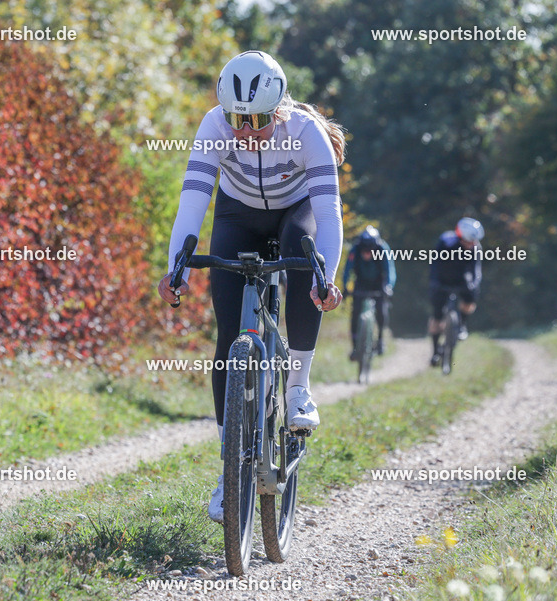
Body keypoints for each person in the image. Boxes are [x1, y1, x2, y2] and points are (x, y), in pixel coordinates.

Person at [156, 50, 345, 523]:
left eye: (257, 119)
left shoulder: (306, 132)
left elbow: (328, 216)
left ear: (279, 108)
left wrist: (329, 277)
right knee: (226, 336)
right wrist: (176, 265)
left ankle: (298, 387)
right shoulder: (214, 125)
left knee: (305, 253)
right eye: (236, 118)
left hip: (293, 210)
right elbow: (193, 201)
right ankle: (230, 469)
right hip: (238, 214)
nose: (244, 130)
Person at [429, 217, 483, 366]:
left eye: (475, 242)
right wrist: (434, 282)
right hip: (442, 280)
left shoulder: (475, 247)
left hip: (462, 279)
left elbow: (476, 270)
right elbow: (434, 264)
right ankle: (435, 351)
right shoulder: (445, 242)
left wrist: (474, 284)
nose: (473, 245)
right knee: (437, 315)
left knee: (471, 296)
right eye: (469, 241)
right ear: (461, 237)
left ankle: (462, 325)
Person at [342, 225, 395, 358]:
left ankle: (381, 340)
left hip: (379, 284)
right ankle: (355, 347)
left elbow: (390, 270)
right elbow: (347, 270)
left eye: (369, 250)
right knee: (355, 314)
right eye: (364, 250)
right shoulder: (355, 249)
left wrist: (389, 287)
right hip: (361, 283)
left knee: (381, 310)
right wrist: (345, 287)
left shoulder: (382, 248)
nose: (366, 253)